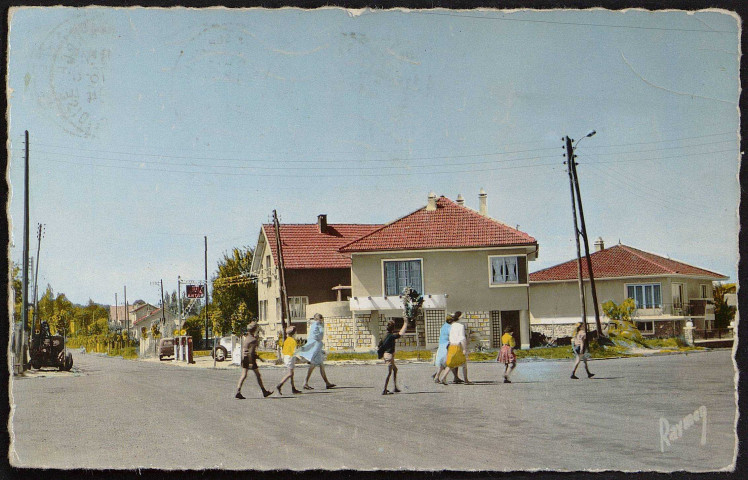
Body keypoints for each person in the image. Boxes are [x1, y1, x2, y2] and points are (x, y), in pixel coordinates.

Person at [295, 313, 336, 390]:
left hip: (317, 346)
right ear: (318, 319)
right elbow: (318, 336)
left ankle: (326, 383)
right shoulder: (317, 325)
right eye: (320, 319)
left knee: (320, 365)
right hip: (316, 346)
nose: (321, 320)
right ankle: (305, 382)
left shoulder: (315, 325)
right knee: (314, 365)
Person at [235, 320, 273, 399]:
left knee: (244, 375)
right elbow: (251, 352)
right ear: (255, 330)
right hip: (250, 358)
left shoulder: (247, 338)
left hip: (244, 358)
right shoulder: (253, 340)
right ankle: (264, 391)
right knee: (258, 375)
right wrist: (252, 362)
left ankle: (238, 391)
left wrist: (259, 358)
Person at [378, 318, 409, 395]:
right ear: (393, 328)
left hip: (386, 355)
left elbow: (379, 345)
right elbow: (400, 333)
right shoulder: (391, 336)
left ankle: (395, 387)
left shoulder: (384, 335)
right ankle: (384, 389)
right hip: (389, 356)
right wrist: (405, 323)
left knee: (395, 369)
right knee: (389, 372)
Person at [439, 312, 472, 384]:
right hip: (458, 346)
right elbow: (462, 338)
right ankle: (466, 380)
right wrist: (464, 349)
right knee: (464, 364)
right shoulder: (460, 326)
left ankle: (443, 377)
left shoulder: (450, 326)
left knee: (451, 364)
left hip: (451, 346)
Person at [432, 312, 463, 384]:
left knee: (443, 362)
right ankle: (453, 377)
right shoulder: (451, 327)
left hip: (442, 346)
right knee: (451, 361)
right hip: (448, 345)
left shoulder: (444, 326)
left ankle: (437, 376)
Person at [276, 326, 302, 395]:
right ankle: (280, 385)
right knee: (290, 374)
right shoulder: (293, 341)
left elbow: (284, 350)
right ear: (294, 333)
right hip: (290, 358)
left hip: (286, 357)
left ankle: (293, 388)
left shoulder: (287, 340)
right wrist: (299, 357)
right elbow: (294, 351)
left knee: (292, 374)